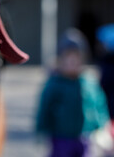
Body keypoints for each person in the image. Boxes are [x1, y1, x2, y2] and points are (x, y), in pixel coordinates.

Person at [36, 28, 110, 157]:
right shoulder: (55, 83)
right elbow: (45, 106)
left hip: (85, 136)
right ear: (61, 60)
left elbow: (99, 104)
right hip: (61, 137)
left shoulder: (89, 82)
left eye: (76, 58)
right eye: (69, 58)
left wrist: (102, 126)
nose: (73, 62)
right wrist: (41, 129)